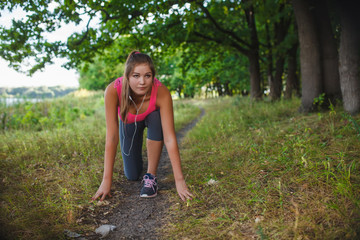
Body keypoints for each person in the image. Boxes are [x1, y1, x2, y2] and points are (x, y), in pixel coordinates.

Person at [92, 51, 193, 202]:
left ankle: (150, 176)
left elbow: (170, 138)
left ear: (153, 76)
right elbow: (112, 138)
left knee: (155, 115)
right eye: (136, 76)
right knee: (132, 175)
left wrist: (179, 180)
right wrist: (106, 180)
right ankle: (138, 161)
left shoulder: (161, 92)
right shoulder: (113, 91)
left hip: (153, 120)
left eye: (147, 75)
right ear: (127, 76)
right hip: (129, 124)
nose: (142, 82)